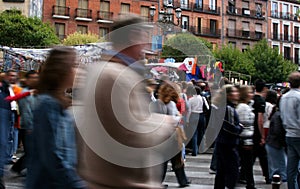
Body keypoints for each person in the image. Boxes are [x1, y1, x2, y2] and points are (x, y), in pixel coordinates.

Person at [75, 15, 179, 189]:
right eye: (144, 38)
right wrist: (166, 123)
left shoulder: (100, 70)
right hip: (119, 181)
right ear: (133, 36)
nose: (146, 46)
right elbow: (129, 134)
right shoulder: (118, 76)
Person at [26, 47, 86, 189]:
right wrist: (76, 183)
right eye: (74, 65)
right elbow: (52, 155)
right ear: (62, 70)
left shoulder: (57, 103)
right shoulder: (47, 104)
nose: (79, 71)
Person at [214, 85, 243, 189]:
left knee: (221, 172)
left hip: (222, 142)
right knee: (232, 171)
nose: (237, 94)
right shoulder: (228, 108)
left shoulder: (222, 106)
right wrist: (239, 128)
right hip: (228, 144)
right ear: (229, 95)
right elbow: (229, 127)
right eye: (235, 92)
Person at [10, 70, 39, 175]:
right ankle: (20, 168)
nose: (35, 80)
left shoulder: (35, 93)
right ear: (27, 80)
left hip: (33, 126)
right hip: (28, 127)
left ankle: (18, 168)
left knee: (32, 151)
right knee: (31, 152)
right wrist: (30, 127)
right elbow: (26, 112)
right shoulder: (24, 94)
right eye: (32, 77)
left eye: (36, 77)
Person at [280, 71, 300, 189]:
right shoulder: (298, 97)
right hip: (298, 134)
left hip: (289, 133)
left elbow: (282, 115)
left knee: (291, 167)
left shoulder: (284, 97)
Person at [236, 85, 256, 189]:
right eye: (249, 92)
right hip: (245, 140)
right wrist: (247, 141)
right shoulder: (243, 108)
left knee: (246, 164)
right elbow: (245, 125)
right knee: (247, 164)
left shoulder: (244, 106)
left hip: (245, 139)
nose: (251, 94)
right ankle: (250, 184)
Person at [252, 79, 270, 184]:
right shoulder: (261, 101)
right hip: (257, 132)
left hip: (251, 129)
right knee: (262, 155)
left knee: (253, 155)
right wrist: (262, 135)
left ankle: (243, 174)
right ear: (264, 88)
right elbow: (260, 119)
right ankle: (267, 176)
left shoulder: (251, 99)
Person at [266, 96, 287, 183]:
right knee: (281, 167)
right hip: (276, 144)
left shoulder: (276, 114)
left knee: (275, 167)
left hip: (273, 143)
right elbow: (278, 131)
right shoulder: (279, 115)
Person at [186, 86, 208, 156]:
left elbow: (189, 110)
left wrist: (187, 119)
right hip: (201, 115)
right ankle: (201, 148)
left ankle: (194, 151)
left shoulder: (190, 99)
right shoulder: (203, 98)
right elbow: (207, 107)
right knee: (201, 132)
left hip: (193, 115)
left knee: (194, 134)